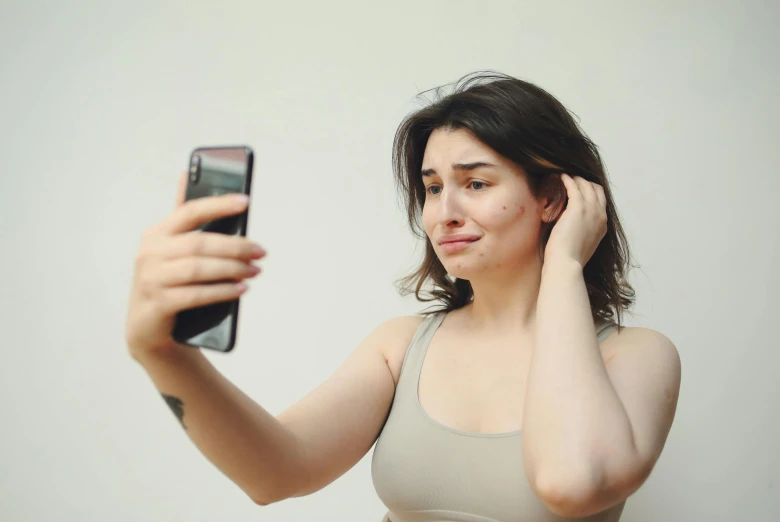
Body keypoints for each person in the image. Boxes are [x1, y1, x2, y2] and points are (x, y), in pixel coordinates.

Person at [125, 71, 681, 522]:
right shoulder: (401, 345)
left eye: (477, 183)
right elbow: (274, 474)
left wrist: (564, 264)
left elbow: (571, 481)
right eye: (433, 187)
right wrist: (164, 355)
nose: (444, 212)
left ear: (554, 200)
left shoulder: (634, 356)